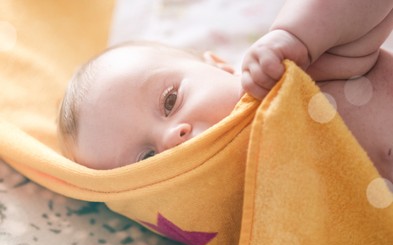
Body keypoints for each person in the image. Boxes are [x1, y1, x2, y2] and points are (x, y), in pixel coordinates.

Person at [58, 0, 393, 183]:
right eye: (147, 159)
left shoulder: (302, 79)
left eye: (170, 100)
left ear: (221, 66)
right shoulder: (249, 224)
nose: (173, 136)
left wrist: (297, 37)